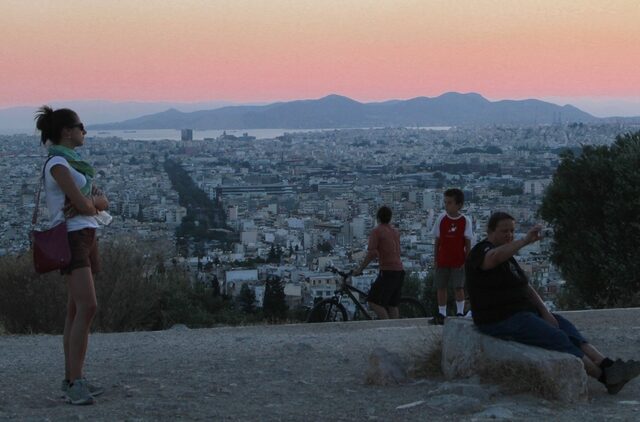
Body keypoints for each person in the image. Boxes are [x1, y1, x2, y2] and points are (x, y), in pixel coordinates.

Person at [465, 211, 640, 394]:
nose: (509, 235)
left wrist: (544, 311)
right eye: (504, 231)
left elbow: (525, 285)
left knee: (567, 329)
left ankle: (607, 364)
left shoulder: (508, 257)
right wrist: (525, 241)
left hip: (523, 313)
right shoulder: (481, 251)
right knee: (557, 338)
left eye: (511, 231)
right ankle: (605, 378)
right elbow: (492, 258)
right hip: (500, 318)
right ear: (490, 231)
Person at [35, 106, 109, 405]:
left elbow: (99, 200)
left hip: (87, 234)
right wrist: (91, 203)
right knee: (87, 307)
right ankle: (75, 380)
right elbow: (87, 203)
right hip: (71, 237)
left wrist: (91, 203)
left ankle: (72, 378)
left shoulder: (77, 165)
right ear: (67, 131)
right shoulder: (57, 164)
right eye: (81, 127)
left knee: (75, 311)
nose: (84, 132)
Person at [430, 188, 473, 324]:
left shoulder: (465, 221)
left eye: (449, 202)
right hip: (443, 259)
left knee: (458, 287)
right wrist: (435, 259)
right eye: (445, 202)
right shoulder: (441, 219)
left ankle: (460, 312)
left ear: (459, 205)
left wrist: (466, 261)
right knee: (441, 287)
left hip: (458, 260)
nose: (446, 205)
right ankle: (442, 313)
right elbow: (437, 241)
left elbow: (467, 243)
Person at [353, 206, 404, 319]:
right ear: (390, 218)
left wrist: (360, 269)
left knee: (373, 301)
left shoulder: (377, 231)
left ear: (378, 218)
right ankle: (396, 330)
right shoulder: (395, 232)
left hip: (388, 271)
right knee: (392, 304)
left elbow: (372, 253)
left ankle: (387, 327)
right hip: (399, 271)